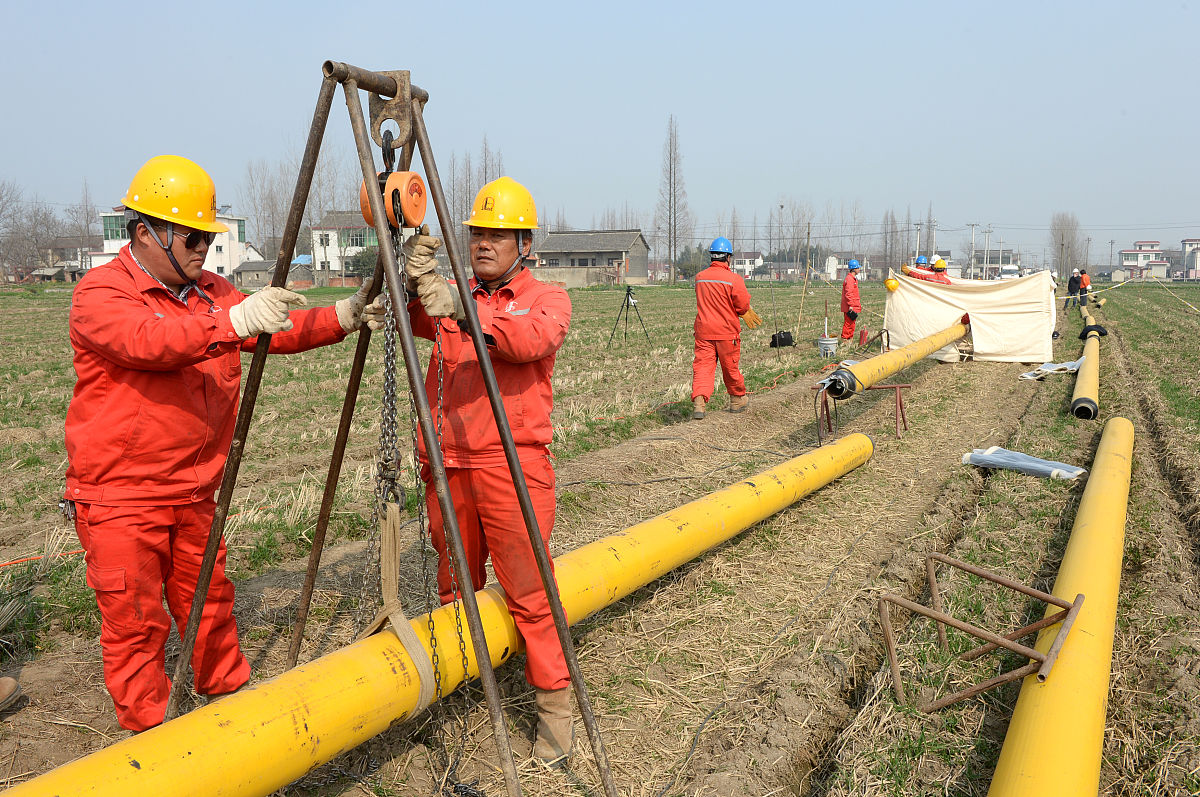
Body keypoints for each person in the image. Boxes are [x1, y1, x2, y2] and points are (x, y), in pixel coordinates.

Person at [64, 155, 372, 732]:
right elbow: (150, 341)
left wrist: (343, 315)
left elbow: (276, 330)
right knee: (135, 625)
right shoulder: (102, 294)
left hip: (195, 492)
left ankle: (231, 714)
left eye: (208, 237)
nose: (203, 248)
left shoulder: (210, 292)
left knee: (209, 604)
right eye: (191, 237)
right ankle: (153, 744)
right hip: (123, 497)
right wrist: (233, 322)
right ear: (145, 233)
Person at [364, 177, 575, 767]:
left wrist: (457, 306)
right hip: (446, 463)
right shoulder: (453, 295)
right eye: (477, 232)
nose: (483, 242)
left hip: (511, 466)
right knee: (453, 584)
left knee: (530, 590)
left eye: (497, 235)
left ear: (524, 244)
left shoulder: (547, 299)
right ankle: (463, 682)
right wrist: (407, 271)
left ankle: (554, 706)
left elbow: (528, 341)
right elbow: (406, 315)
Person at [691, 237, 755, 419]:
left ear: (712, 256)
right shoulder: (734, 279)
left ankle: (699, 403)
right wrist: (744, 311)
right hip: (727, 332)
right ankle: (736, 399)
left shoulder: (700, 278)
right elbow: (742, 305)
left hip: (704, 332)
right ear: (728, 257)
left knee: (703, 368)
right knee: (730, 368)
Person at [840, 258, 863, 344]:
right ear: (854, 269)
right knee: (848, 324)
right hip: (850, 306)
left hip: (853, 305)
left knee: (851, 323)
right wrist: (851, 305)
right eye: (858, 268)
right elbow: (848, 293)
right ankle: (845, 340)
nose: (859, 269)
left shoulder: (852, 279)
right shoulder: (849, 279)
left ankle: (849, 339)